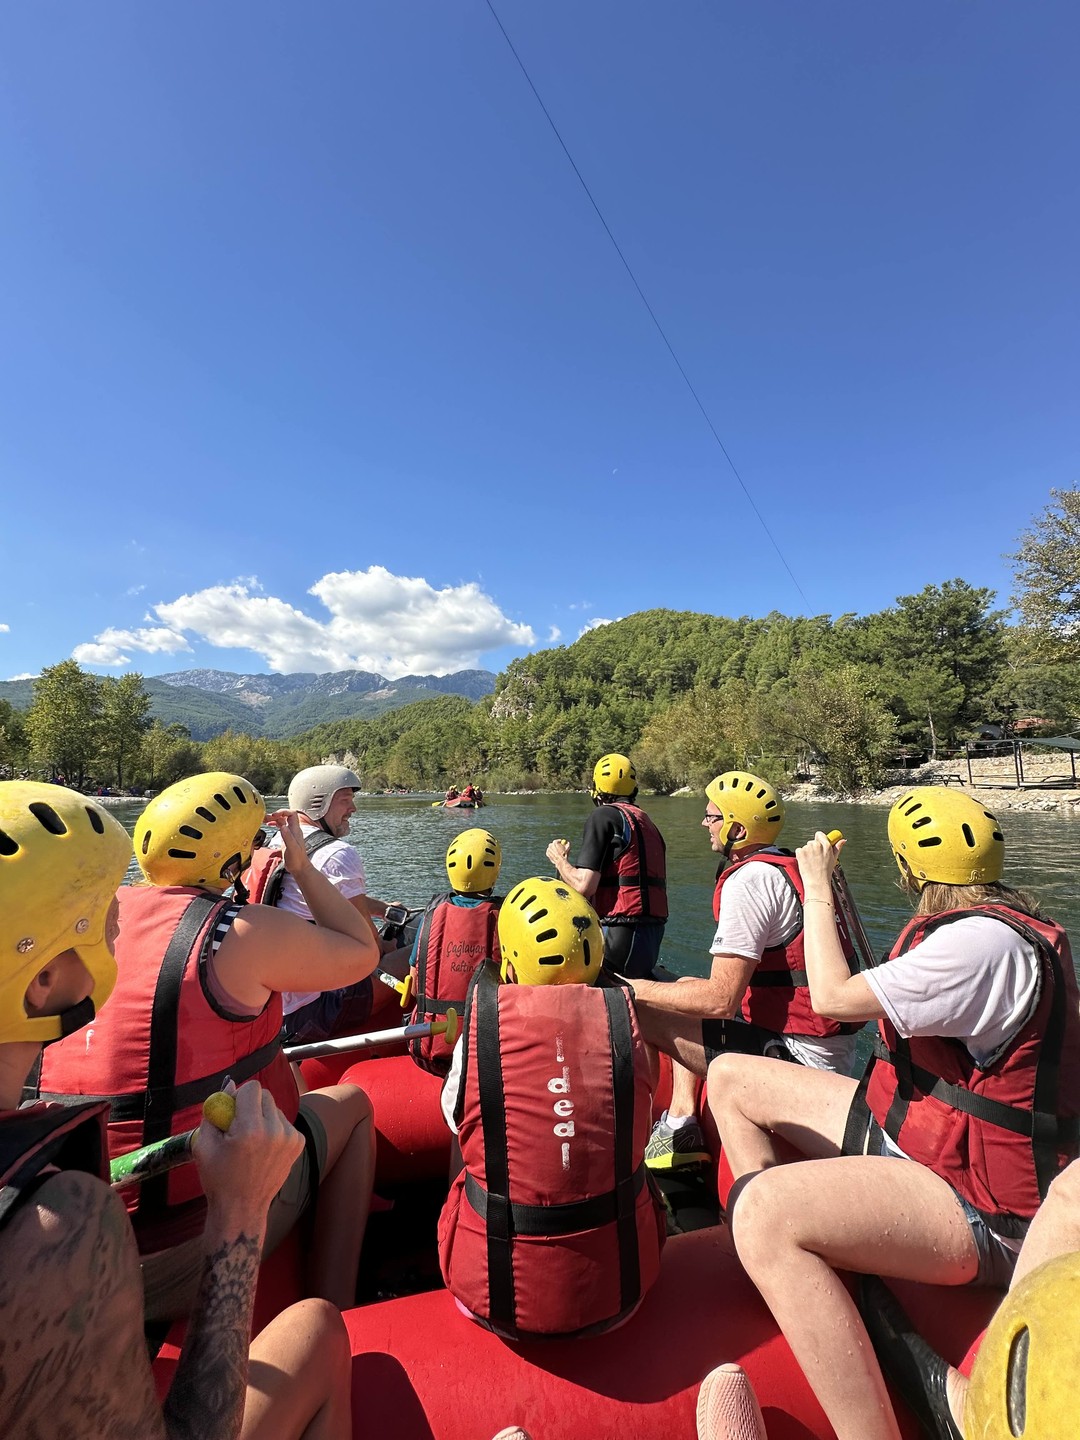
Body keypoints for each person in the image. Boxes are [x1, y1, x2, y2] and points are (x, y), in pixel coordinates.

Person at [703, 788, 1080, 1440]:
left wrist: (817, 885)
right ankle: (781, 1273)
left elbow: (830, 995)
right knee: (731, 1078)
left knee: (766, 1211)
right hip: (924, 1138)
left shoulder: (980, 950)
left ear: (909, 871)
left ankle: (868, 1431)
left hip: (980, 1210)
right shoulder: (986, 932)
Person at [0, 780, 352, 1440]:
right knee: (321, 1331)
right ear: (42, 980)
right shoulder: (58, 1227)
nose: (118, 919)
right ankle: (348, 1301)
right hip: (163, 1248)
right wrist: (239, 1212)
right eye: (99, 909)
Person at [35, 772, 380, 1320]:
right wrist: (301, 865)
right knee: (355, 1105)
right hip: (173, 1245)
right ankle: (338, 1305)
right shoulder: (240, 930)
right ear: (230, 863)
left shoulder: (102, 915)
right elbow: (364, 951)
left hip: (67, 1236)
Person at [693, 1157, 1080, 1440]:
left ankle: (979, 1416)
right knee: (730, 1081)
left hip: (989, 1210)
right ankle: (979, 1412)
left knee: (762, 1215)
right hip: (954, 1161)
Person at [438, 877, 665, 1340]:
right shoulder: (625, 1022)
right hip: (625, 1286)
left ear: (513, 964)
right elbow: (640, 1115)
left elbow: (456, 1119)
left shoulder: (483, 1031)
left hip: (497, 1300)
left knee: (468, 1141)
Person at [630, 770, 859, 1171]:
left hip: (795, 1060)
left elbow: (720, 1000)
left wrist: (631, 989)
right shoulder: (789, 868)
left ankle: (644, 1137)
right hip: (818, 1050)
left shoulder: (750, 881)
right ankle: (682, 1122)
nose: (705, 824)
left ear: (735, 827)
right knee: (683, 985)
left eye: (711, 817)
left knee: (644, 1011)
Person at [267, 763, 407, 1035]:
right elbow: (370, 951)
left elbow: (324, 901)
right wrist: (387, 945)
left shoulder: (276, 843)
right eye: (345, 801)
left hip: (277, 1004)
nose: (353, 809)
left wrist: (384, 910)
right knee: (413, 954)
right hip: (315, 1007)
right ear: (319, 804)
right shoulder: (338, 854)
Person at [545, 751, 668, 980]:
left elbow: (584, 886)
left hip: (619, 932)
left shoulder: (602, 816)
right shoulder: (646, 821)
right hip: (651, 935)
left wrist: (559, 859)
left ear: (597, 789)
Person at [408, 827, 502, 1075]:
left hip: (428, 1051)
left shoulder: (432, 914)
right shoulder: (504, 917)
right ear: (495, 873)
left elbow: (416, 982)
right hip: (485, 1052)